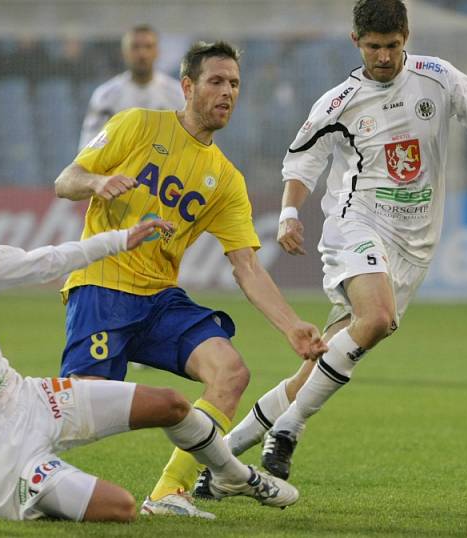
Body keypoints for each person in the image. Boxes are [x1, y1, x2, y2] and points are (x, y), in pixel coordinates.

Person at [193, 0, 467, 492]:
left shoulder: (438, 77)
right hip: (356, 223)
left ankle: (219, 472)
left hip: (416, 243)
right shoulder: (339, 101)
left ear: (405, 36)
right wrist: (286, 214)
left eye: (392, 46)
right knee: (376, 318)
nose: (384, 57)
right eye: (374, 47)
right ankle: (289, 430)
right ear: (356, 42)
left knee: (318, 367)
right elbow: (302, 164)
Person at [0, 195, 299, 523]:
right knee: (120, 509)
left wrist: (121, 239)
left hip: (30, 398)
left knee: (172, 404)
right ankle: (6, 486)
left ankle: (237, 477)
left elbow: (50, 259)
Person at [50, 40, 327, 520]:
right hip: (103, 287)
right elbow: (65, 179)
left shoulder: (226, 178)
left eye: (234, 84)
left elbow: (246, 266)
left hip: (159, 300)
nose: (227, 93)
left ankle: (169, 491)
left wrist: (290, 326)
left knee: (231, 372)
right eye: (216, 82)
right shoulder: (138, 124)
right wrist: (97, 183)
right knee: (75, 415)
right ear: (187, 86)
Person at [78, 24, 185, 150]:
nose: (142, 53)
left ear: (157, 52)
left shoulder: (177, 94)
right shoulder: (105, 96)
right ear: (124, 53)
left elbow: (188, 143)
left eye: (148, 46)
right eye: (135, 47)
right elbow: (88, 147)